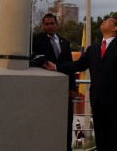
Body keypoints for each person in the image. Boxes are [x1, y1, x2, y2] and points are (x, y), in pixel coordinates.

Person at [55, 16, 117, 151]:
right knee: (101, 139)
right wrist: (56, 67)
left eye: (108, 20)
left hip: (116, 102)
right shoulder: (93, 49)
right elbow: (78, 65)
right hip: (97, 101)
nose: (104, 21)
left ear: (115, 28)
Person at [32, 13, 77, 151]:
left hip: (64, 88)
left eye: (52, 23)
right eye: (47, 24)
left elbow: (70, 65)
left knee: (66, 119)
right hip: (44, 87)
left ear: (56, 24)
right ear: (43, 25)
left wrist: (72, 87)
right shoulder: (35, 39)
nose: (49, 26)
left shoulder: (65, 42)